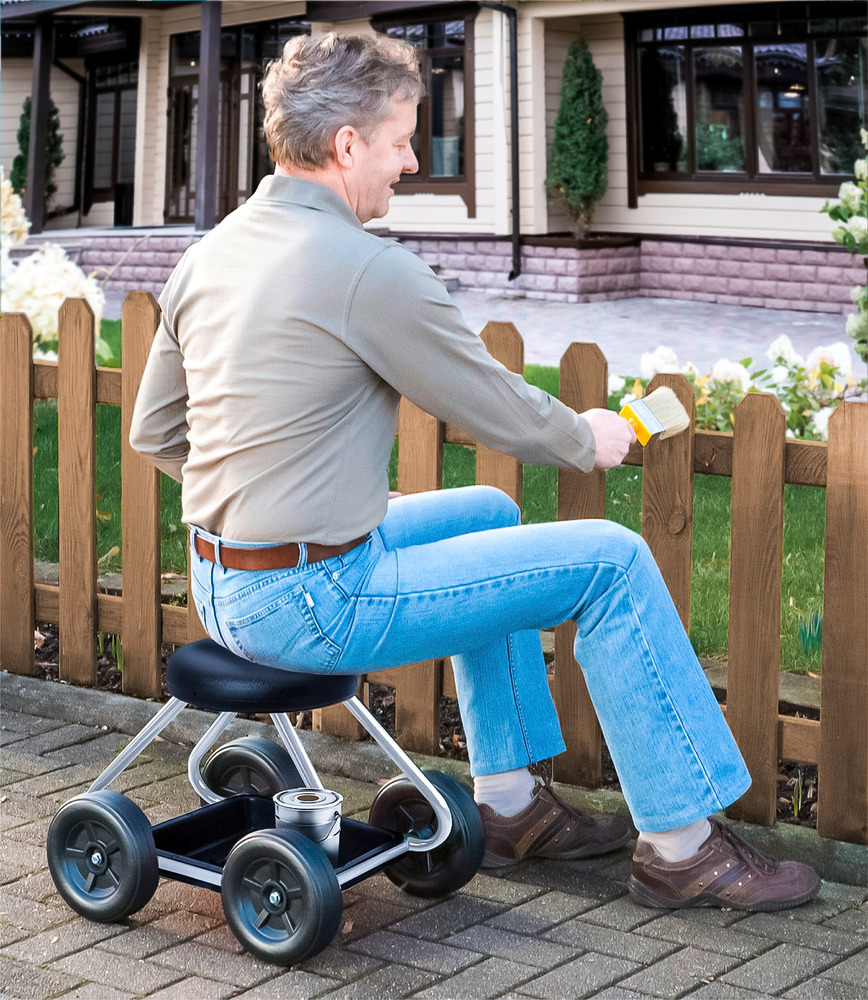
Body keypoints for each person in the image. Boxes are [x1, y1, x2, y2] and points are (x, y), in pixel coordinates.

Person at [130, 32, 819, 910]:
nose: (411, 163)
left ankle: (509, 805)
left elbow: (156, 432)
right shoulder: (365, 269)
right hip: (317, 600)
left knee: (488, 510)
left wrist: (267, 496)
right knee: (610, 560)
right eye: (400, 141)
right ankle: (683, 848)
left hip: (223, 581)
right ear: (347, 146)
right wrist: (587, 436)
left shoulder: (210, 253)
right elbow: (490, 400)